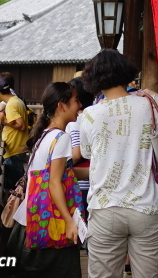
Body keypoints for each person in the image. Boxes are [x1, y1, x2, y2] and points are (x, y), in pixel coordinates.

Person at [78, 49, 158, 278]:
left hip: (105, 207)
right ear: (126, 73)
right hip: (148, 207)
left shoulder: (89, 115)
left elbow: (88, 152)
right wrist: (157, 98)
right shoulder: (149, 104)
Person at [5, 81, 83, 277]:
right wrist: (69, 222)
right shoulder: (61, 138)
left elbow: (57, 175)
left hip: (31, 220)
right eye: (76, 101)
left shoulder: (45, 135)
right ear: (61, 106)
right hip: (50, 225)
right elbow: (54, 183)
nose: (79, 106)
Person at [0, 75, 30, 192]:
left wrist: (3, 119)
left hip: (13, 150)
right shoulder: (16, 101)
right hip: (17, 148)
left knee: (14, 188)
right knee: (16, 184)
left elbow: (20, 125)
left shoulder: (11, 104)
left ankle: (14, 209)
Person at [67, 76, 95, 219]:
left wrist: (60, 166)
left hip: (80, 183)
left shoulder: (74, 122)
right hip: (92, 180)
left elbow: (77, 154)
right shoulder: (94, 117)